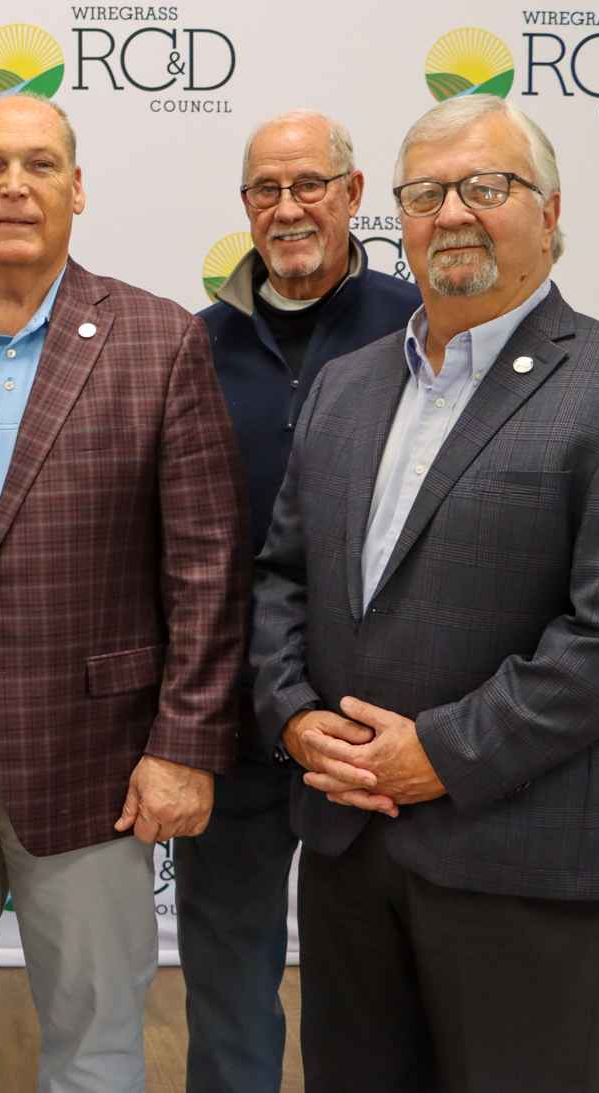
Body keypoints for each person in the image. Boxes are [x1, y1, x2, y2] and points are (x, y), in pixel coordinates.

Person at [250, 95, 599, 1093]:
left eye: (484, 186)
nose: (451, 211)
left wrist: (440, 754)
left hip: (523, 857)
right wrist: (292, 717)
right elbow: (282, 575)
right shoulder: (346, 386)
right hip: (346, 847)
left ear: (549, 211)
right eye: (425, 193)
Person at [0, 94, 247, 1093]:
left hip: (96, 757)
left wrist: (183, 745)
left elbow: (206, 564)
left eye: (39, 165)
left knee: (97, 1035)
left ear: (76, 189)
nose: (14, 187)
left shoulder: (157, 339)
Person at [179, 110, 418, 1093]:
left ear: (353, 194)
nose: (288, 209)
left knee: (368, 987)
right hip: (233, 718)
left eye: (309, 185)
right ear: (243, 206)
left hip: (374, 725)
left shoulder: (419, 326)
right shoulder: (192, 345)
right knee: (226, 974)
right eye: (266, 191)